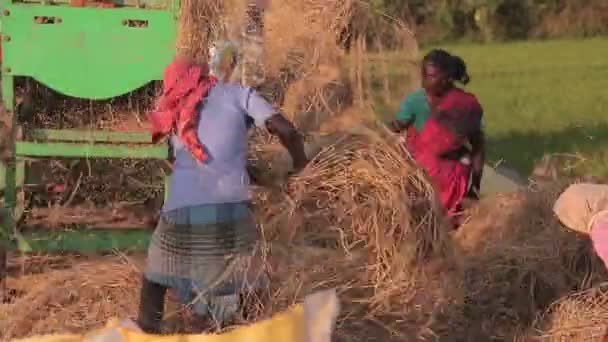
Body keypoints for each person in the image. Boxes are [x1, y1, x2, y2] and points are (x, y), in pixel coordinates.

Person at [137, 41, 308, 334]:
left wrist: (258, 175)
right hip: (232, 210)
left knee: (155, 281)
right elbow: (287, 130)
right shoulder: (238, 94)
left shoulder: (177, 111)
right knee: (250, 282)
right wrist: (301, 166)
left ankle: (147, 334)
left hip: (180, 214)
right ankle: (254, 334)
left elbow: (202, 160)